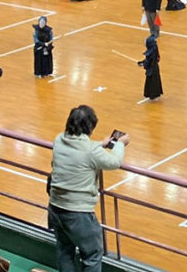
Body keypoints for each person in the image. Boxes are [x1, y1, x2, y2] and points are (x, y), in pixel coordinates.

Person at [48, 105, 129, 272]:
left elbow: (81, 149)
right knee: (92, 255)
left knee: (64, 250)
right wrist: (119, 144)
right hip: (78, 213)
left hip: (55, 207)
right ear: (89, 127)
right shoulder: (91, 151)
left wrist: (101, 144)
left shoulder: (58, 139)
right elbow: (113, 162)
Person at [138, 36, 163, 101]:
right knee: (151, 82)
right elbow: (147, 60)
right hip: (154, 68)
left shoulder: (151, 53)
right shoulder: (154, 49)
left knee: (153, 83)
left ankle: (153, 95)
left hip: (152, 70)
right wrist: (142, 62)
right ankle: (151, 95)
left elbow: (148, 61)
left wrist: (143, 64)